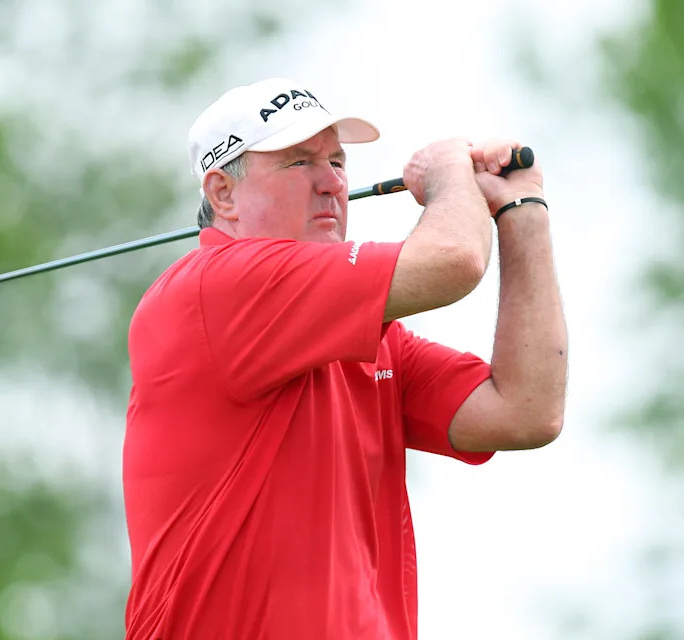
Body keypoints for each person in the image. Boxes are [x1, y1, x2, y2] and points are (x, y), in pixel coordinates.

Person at [122, 77, 567, 639]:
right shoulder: (214, 288)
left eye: (337, 160)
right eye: (299, 163)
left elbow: (527, 410)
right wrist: (449, 169)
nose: (332, 181)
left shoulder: (369, 340)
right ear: (223, 194)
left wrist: (524, 212)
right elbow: (454, 258)